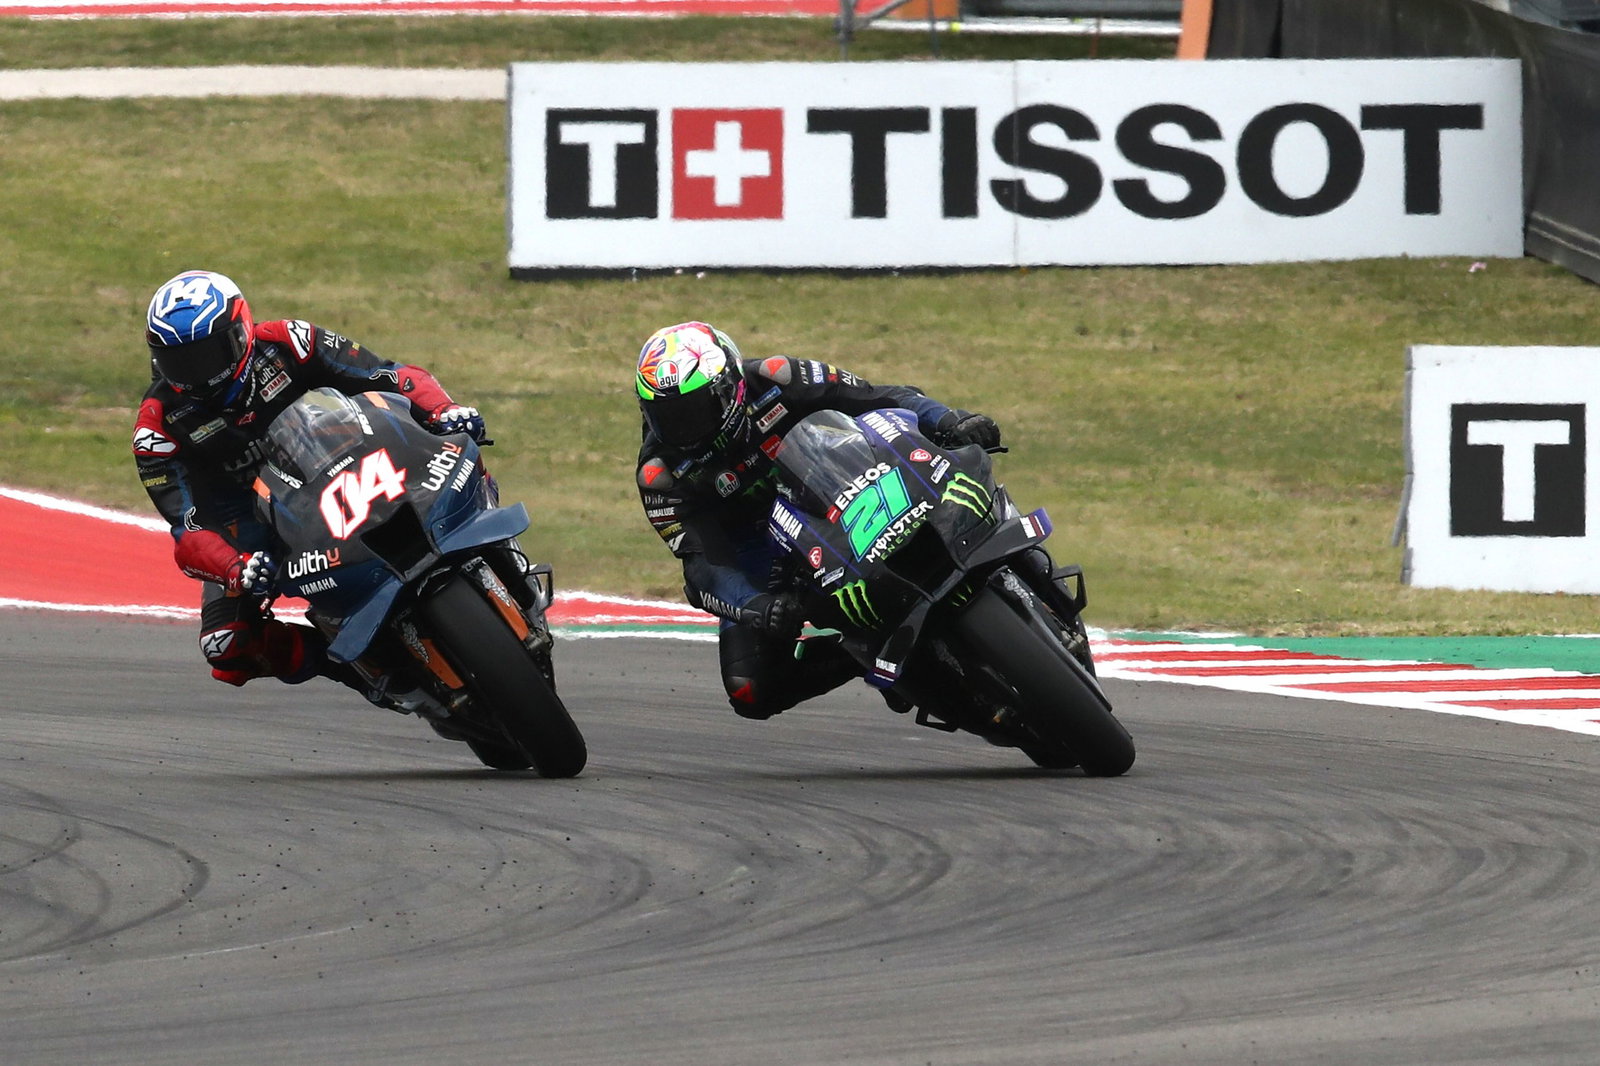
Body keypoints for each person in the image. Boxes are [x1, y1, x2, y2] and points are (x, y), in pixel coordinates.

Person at [133, 269, 488, 703]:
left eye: (206, 354)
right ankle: (355, 666)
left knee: (449, 442)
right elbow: (187, 530)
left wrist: (444, 410)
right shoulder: (158, 429)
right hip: (249, 521)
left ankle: (483, 529)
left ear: (241, 332)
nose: (195, 374)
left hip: (335, 458)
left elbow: (391, 376)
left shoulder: (290, 342)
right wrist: (233, 567)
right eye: (179, 361)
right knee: (225, 645)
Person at [633, 320, 1003, 721]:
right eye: (665, 416)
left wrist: (950, 422)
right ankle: (863, 653)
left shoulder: (779, 378)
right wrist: (758, 606)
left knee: (940, 470)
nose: (682, 430)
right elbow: (702, 567)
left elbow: (879, 397)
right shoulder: (661, 474)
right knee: (749, 690)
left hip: (835, 487)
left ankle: (1006, 545)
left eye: (693, 411)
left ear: (729, 389)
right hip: (759, 552)